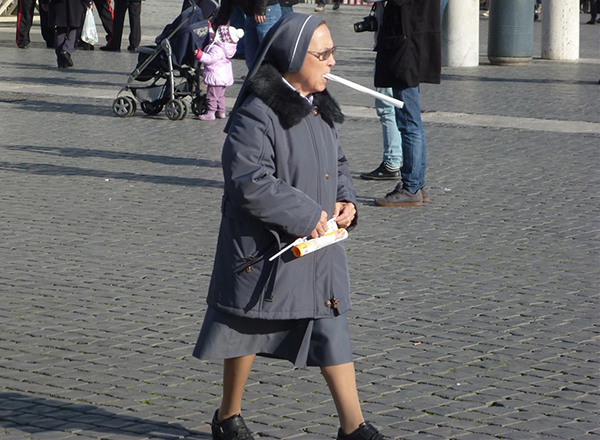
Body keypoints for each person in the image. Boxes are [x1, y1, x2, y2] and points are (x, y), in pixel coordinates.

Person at [192, 12, 387, 440]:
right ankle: (228, 417)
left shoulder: (320, 107)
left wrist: (345, 200)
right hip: (267, 250)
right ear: (294, 57)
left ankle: (354, 428)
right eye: (324, 54)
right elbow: (247, 180)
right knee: (245, 329)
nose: (333, 62)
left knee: (331, 325)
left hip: (318, 250)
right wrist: (306, 215)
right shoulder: (257, 112)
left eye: (333, 52)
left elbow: (337, 163)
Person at [373, 0, 441, 207]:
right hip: (412, 42)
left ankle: (411, 187)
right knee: (411, 121)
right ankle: (417, 184)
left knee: (408, 122)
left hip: (406, 46)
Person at [212, 0, 282, 69]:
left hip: (266, 10)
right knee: (251, 54)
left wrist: (260, 8)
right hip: (251, 13)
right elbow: (227, 4)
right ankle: (254, 78)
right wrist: (218, 25)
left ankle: (275, 78)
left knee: (268, 52)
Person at [194, 25, 244, 120]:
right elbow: (212, 36)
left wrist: (200, 56)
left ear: (219, 37)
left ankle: (210, 113)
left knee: (211, 96)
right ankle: (221, 112)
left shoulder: (217, 49)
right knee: (220, 96)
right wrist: (209, 28)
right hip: (223, 77)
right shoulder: (225, 47)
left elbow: (210, 59)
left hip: (215, 77)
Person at [41, 0, 92, 68]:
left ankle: (61, 59)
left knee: (60, 30)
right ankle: (66, 50)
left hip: (57, 4)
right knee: (75, 28)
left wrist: (45, 2)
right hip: (76, 4)